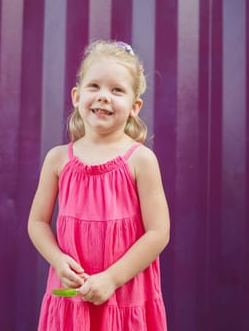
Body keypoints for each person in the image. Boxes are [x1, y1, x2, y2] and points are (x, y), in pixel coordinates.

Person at [28, 39, 170, 330]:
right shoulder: (58, 159)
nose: (104, 96)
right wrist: (57, 260)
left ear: (134, 106)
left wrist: (111, 279)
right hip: (73, 298)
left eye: (117, 90)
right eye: (94, 87)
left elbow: (158, 233)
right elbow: (37, 223)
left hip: (124, 294)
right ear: (77, 96)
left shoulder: (140, 160)